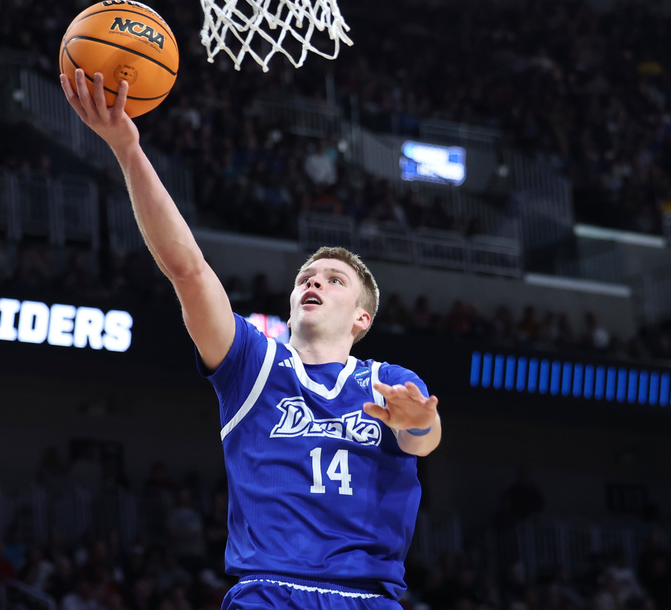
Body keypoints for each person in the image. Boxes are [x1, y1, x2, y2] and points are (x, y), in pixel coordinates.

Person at [61, 68, 441, 608]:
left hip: (368, 597)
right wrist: (128, 150)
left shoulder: (390, 384)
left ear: (362, 319)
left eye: (335, 281)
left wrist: (420, 421)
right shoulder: (252, 365)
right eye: (306, 277)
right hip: (270, 593)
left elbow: (424, 440)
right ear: (291, 302)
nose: (314, 282)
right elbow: (187, 269)